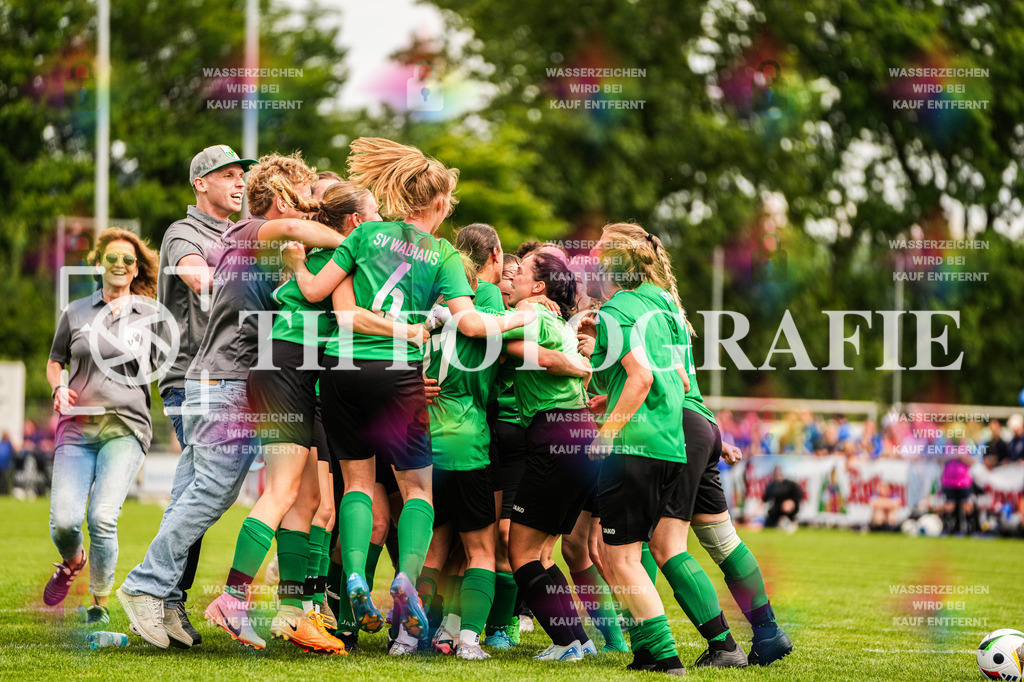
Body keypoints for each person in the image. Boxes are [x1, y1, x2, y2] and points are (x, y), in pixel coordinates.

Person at [285, 137, 531, 649]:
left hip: (339, 369)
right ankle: (405, 580)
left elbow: (319, 295)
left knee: (356, 485)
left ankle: (353, 577)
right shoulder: (440, 252)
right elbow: (467, 321)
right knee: (417, 489)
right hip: (397, 375)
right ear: (438, 204)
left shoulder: (364, 235)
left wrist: (291, 258)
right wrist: (516, 316)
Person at [116, 152, 345, 650]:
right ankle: (145, 585)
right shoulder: (252, 232)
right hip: (225, 385)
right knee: (211, 494)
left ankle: (167, 599)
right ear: (283, 201)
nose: (309, 214)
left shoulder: (257, 242)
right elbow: (300, 234)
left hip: (219, 383)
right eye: (304, 203)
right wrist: (360, 244)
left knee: (193, 494)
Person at [156, 143, 256, 645]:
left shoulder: (244, 232)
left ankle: (165, 599)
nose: (240, 183)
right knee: (201, 494)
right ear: (201, 183)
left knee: (195, 493)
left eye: (244, 175)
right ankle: (162, 598)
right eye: (230, 174)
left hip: (230, 380)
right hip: (192, 380)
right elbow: (198, 277)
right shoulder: (185, 232)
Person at [44, 228, 162, 626]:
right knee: (64, 521)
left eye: (128, 260)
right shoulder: (75, 311)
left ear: (135, 270)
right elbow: (55, 360)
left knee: (102, 517)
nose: (120, 265)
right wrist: (59, 387)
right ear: (99, 264)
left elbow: (172, 362)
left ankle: (99, 601)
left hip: (126, 427)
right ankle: (72, 559)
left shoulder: (150, 314)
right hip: (76, 429)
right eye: (112, 258)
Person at [501, 249, 599, 663]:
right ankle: (578, 638)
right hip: (579, 436)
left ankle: (566, 643)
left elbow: (542, 358)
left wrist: (578, 365)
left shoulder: (534, 315)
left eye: (519, 273)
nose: (511, 278)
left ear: (538, 286)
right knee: (542, 551)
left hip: (555, 434)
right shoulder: (554, 318)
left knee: (519, 551)